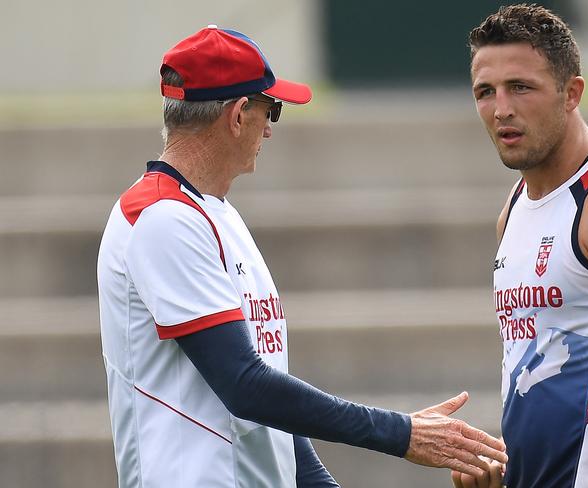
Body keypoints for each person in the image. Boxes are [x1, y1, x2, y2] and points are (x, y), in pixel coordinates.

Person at [97, 25, 507, 487]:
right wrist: (401, 433)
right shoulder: (161, 219)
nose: (270, 129)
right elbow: (245, 385)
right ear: (237, 116)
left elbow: (268, 403)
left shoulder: (214, 212)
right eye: (270, 110)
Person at [451, 4, 588, 488]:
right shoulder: (514, 210)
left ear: (572, 93)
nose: (501, 109)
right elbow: (533, 370)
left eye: (521, 87)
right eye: (485, 92)